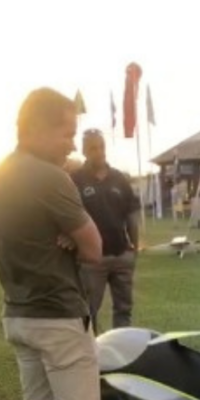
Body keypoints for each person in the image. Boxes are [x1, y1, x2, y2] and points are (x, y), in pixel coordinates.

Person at [0, 87, 103, 400]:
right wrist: (73, 237)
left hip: (17, 314)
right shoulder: (51, 178)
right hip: (58, 317)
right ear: (36, 128)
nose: (73, 143)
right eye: (66, 133)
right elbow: (94, 249)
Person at [70, 128, 140, 333]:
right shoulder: (75, 180)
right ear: (84, 151)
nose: (99, 152)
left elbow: (131, 214)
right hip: (92, 260)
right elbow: (67, 215)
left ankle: (122, 349)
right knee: (89, 311)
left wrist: (133, 249)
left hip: (121, 255)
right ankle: (91, 354)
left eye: (101, 147)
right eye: (93, 148)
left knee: (124, 309)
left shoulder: (119, 178)